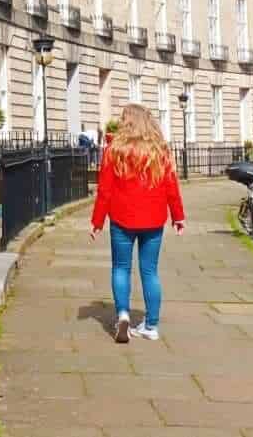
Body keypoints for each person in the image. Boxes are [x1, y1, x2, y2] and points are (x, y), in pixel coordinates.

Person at [90, 103, 185, 343]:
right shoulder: (160, 150)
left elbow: (105, 190)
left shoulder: (114, 149)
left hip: (121, 219)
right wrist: (178, 216)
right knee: (150, 271)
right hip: (153, 219)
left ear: (128, 122)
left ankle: (123, 314)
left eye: (123, 118)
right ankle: (151, 325)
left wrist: (97, 221)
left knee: (121, 267)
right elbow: (171, 186)